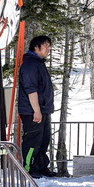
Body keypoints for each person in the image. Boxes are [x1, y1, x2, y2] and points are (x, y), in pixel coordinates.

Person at [18, 35, 57, 178]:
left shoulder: (38, 63)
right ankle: (29, 168)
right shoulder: (30, 65)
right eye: (45, 45)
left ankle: (40, 166)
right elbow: (31, 89)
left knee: (43, 140)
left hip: (42, 109)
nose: (48, 48)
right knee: (32, 140)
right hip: (33, 111)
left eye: (49, 45)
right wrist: (36, 110)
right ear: (36, 47)